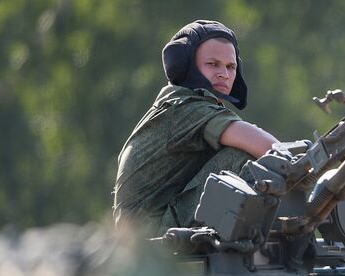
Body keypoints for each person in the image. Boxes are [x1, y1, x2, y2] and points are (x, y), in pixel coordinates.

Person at [113, 20, 279, 235]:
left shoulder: (179, 106)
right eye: (213, 64)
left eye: (231, 67)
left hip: (146, 233)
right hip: (151, 238)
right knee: (245, 156)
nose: (224, 74)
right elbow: (269, 148)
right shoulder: (185, 107)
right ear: (188, 67)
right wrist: (314, 173)